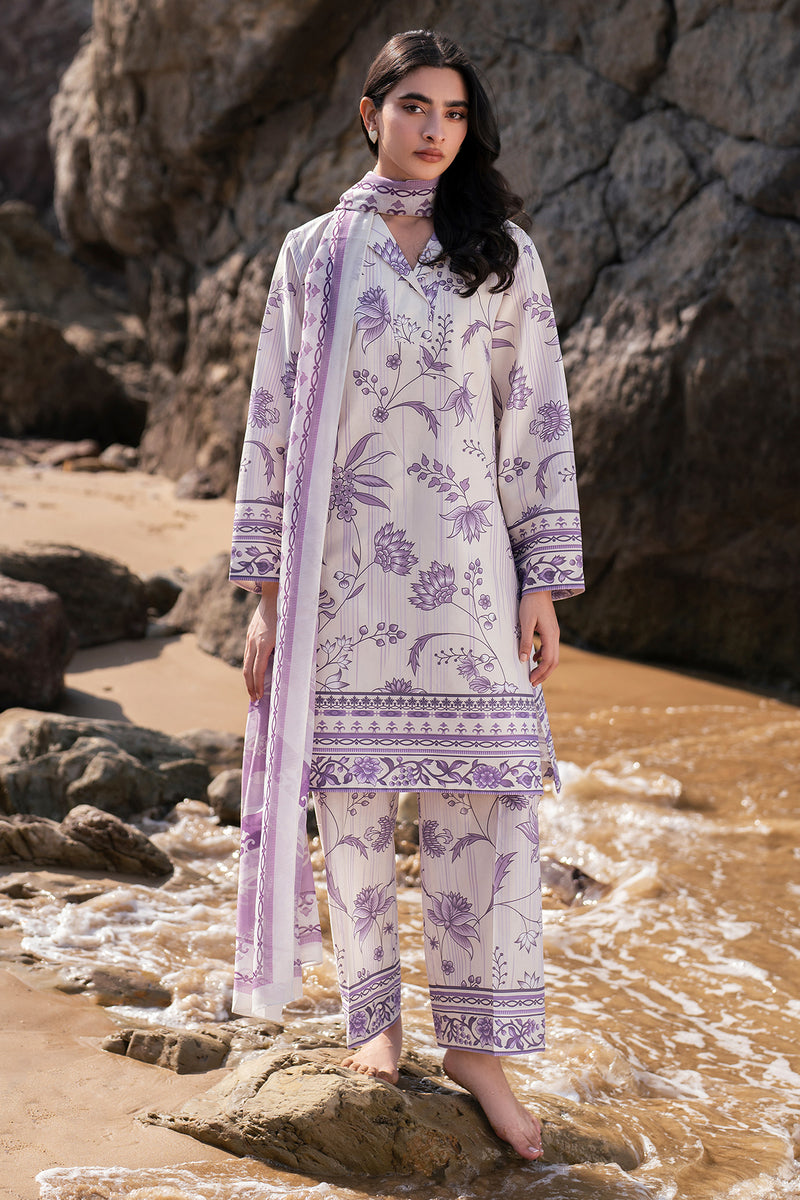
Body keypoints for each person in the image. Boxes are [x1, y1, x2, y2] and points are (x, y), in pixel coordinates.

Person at [229, 28, 583, 1163]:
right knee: (354, 798)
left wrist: (541, 581)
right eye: (416, 107)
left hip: (470, 574)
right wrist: (265, 598)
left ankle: (477, 1049)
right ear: (370, 113)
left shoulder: (500, 254)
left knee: (486, 803)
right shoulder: (312, 256)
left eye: (455, 113)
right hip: (343, 578)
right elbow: (272, 424)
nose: (437, 130)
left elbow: (534, 418)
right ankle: (372, 1018)